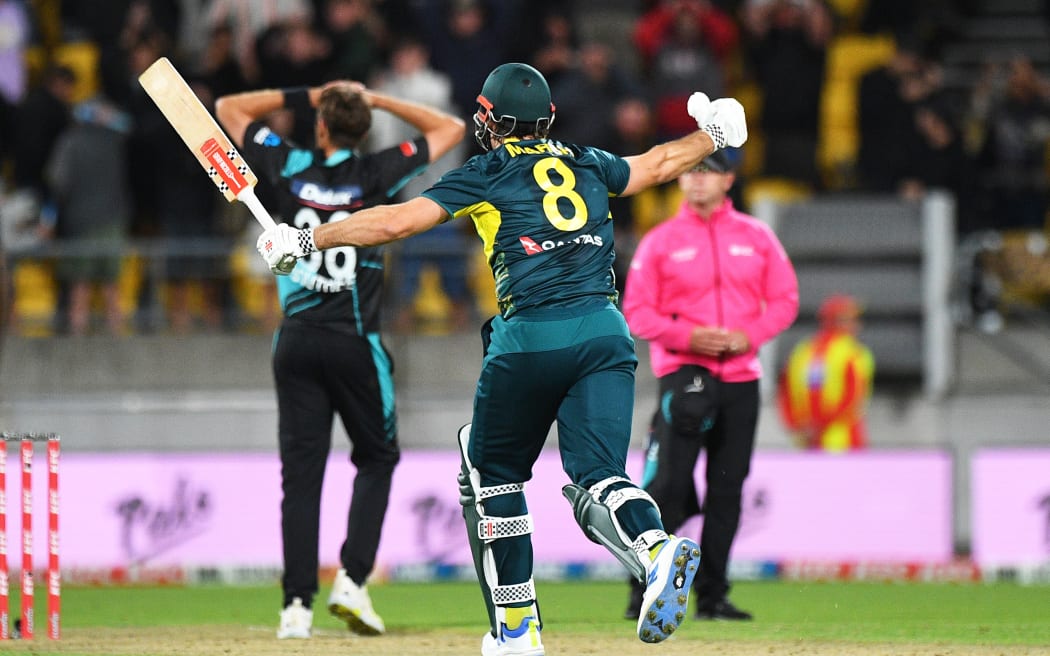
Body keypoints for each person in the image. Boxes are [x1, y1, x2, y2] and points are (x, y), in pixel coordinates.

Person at [254, 61, 748, 655]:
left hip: (531, 338)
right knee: (601, 478)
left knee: (488, 474)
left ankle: (516, 629)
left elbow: (395, 221)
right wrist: (714, 136)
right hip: (606, 335)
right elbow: (661, 163)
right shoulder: (588, 160)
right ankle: (654, 548)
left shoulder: (487, 172)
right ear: (549, 119)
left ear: (491, 120)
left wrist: (308, 238)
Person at [214, 78, 466, 639]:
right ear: (365, 128)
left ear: (321, 126)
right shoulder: (378, 172)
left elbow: (229, 105)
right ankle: (352, 581)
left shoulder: (286, 162)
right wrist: (376, 99)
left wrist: (309, 94)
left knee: (300, 477)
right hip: (356, 341)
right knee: (376, 458)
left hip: (297, 339)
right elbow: (451, 128)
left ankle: (295, 610)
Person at [621, 148, 798, 622]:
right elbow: (636, 311)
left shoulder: (757, 237)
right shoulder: (660, 242)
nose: (698, 180)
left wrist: (749, 335)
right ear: (679, 180)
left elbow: (785, 299)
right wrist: (689, 336)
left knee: (727, 490)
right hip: (683, 372)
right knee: (669, 485)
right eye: (691, 171)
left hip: (741, 378)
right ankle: (644, 589)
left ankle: (713, 597)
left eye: (709, 171)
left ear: (729, 180)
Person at [776, 293, 874, 452]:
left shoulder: (802, 351)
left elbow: (784, 393)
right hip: (843, 439)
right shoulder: (853, 352)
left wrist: (797, 425)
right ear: (836, 321)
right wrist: (821, 425)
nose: (858, 325)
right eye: (852, 319)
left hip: (805, 439)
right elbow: (854, 398)